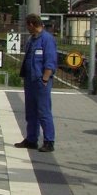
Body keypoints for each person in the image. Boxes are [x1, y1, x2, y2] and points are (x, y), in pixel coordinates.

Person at [14, 13, 58, 152]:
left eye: (27, 25)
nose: (27, 28)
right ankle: (31, 139)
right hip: (30, 80)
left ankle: (49, 141)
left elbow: (50, 62)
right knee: (31, 112)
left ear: (32, 24)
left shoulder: (47, 40)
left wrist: (45, 79)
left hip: (40, 81)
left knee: (43, 112)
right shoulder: (32, 40)